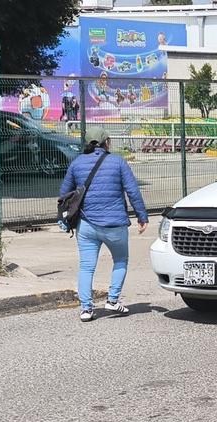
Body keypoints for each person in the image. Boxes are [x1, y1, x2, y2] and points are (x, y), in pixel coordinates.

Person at [59, 127, 149, 322]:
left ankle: (86, 309)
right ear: (106, 142)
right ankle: (113, 300)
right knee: (120, 260)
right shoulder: (118, 162)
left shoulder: (76, 163)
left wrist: (63, 219)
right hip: (114, 224)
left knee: (86, 266)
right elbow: (132, 191)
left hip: (87, 225)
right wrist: (142, 216)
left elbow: (64, 194)